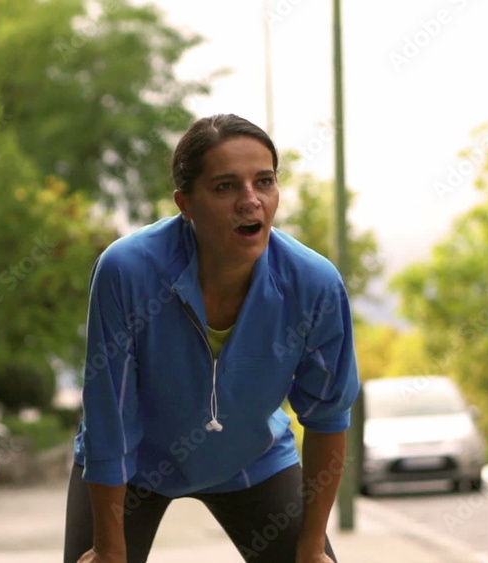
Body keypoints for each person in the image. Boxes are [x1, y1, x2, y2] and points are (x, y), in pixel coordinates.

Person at [64, 114, 360, 563]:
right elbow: (109, 416)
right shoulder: (127, 271)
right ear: (185, 202)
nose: (251, 201)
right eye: (225, 187)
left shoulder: (313, 284)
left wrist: (312, 546)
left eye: (264, 182)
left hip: (253, 462)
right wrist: (108, 548)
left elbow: (328, 417)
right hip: (134, 468)